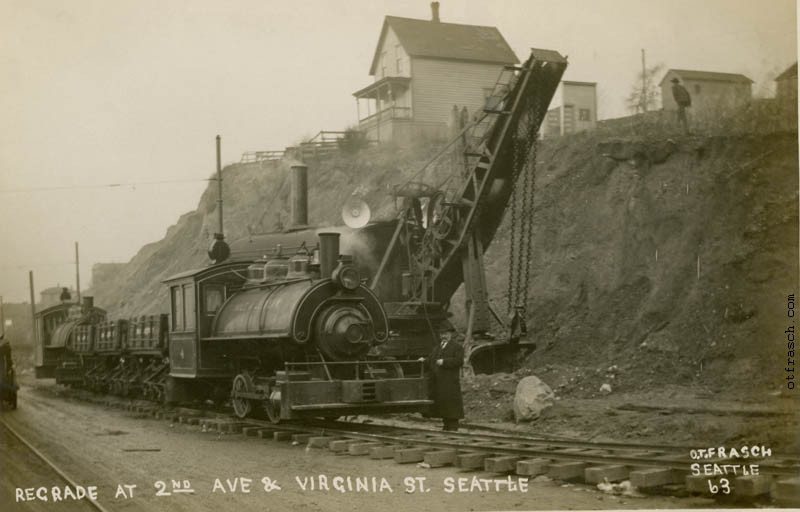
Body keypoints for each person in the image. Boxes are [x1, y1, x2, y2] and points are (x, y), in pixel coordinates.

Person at [419, 328, 464, 431]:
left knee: (451, 403)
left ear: (450, 334)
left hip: (450, 381)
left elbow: (459, 361)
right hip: (439, 382)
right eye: (442, 334)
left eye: (446, 334)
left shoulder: (457, 347)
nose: (444, 336)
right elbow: (431, 360)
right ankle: (446, 425)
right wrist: (424, 360)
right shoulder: (438, 347)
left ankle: (453, 425)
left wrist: (444, 362)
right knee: (443, 403)